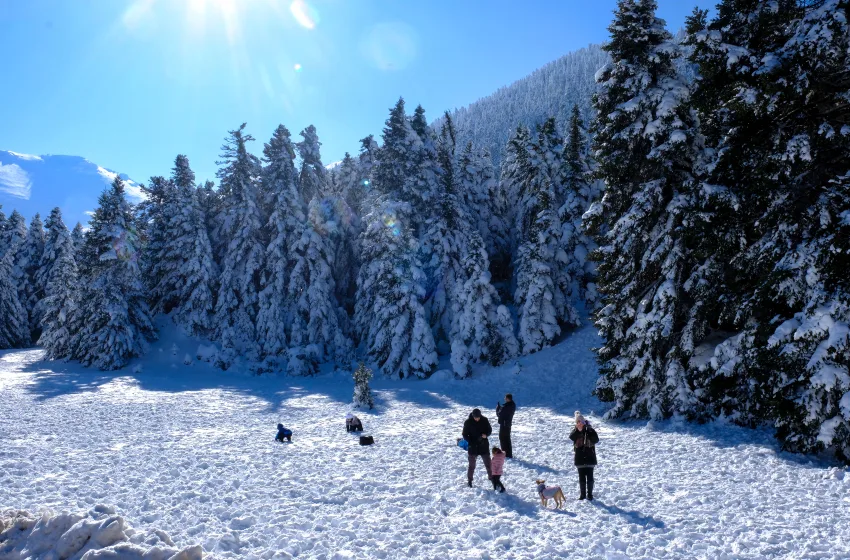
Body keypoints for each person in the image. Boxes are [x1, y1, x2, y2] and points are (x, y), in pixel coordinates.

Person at [569, 411, 599, 500]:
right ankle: (582, 495)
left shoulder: (590, 430)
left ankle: (590, 494)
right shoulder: (575, 431)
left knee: (590, 478)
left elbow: (596, 440)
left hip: (590, 457)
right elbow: (571, 437)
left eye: (581, 422)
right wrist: (578, 431)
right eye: (577, 422)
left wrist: (589, 430)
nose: (579, 423)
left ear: (584, 422)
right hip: (580, 458)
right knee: (581, 478)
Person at [462, 408, 492, 487]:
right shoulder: (468, 422)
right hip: (473, 446)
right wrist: (470, 441)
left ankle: (492, 478)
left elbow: (489, 430)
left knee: (488, 463)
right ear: (473, 416)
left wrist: (486, 435)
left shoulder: (485, 420)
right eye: (475, 417)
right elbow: (464, 434)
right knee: (471, 465)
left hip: (483, 445)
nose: (477, 419)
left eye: (478, 417)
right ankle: (470, 480)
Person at [496, 394, 516, 458]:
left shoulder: (507, 406)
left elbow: (500, 414)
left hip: (504, 424)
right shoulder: (512, 405)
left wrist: (498, 409)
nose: (504, 399)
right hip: (508, 424)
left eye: (505, 398)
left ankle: (505, 453)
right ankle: (508, 453)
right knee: (507, 439)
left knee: (503, 438)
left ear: (508, 398)